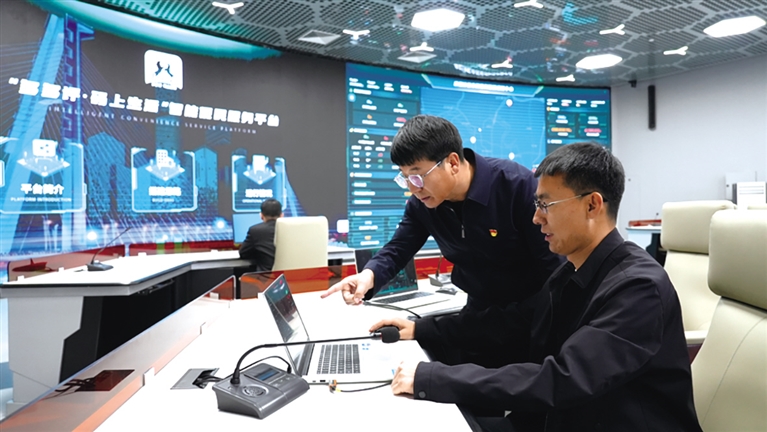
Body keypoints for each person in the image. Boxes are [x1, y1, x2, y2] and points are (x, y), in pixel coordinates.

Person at [372, 143, 702, 432]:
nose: (535, 219)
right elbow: (512, 322)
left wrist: (433, 379)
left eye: (546, 205)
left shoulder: (638, 288)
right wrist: (421, 329)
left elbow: (563, 378)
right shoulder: (570, 274)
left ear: (592, 205)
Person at [322, 114, 563, 366]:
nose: (412, 188)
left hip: (530, 315)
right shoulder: (423, 204)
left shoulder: (517, 187)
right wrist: (368, 276)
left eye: (417, 176)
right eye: (404, 177)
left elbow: (555, 274)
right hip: (478, 312)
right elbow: (399, 247)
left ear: (453, 163)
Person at [238, 198, 282, 271]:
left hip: (266, 277)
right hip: (291, 276)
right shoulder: (292, 230)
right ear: (281, 215)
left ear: (261, 215)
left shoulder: (255, 230)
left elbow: (243, 254)